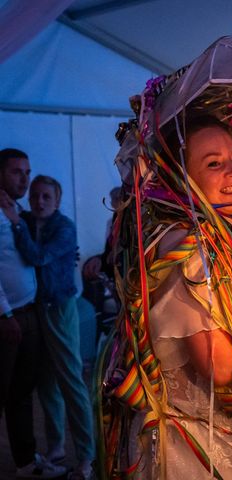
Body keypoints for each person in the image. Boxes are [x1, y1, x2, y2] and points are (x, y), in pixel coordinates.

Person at [111, 116, 232, 479]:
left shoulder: (222, 239)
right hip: (202, 447)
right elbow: (221, 366)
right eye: (213, 164)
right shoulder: (191, 250)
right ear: (181, 178)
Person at [2, 175, 95, 479]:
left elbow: (38, 256)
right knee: (46, 384)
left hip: (59, 308)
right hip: (39, 309)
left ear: (57, 200)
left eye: (46, 197)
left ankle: (87, 457)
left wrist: (16, 222)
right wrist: (18, 218)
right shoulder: (29, 218)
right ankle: (56, 448)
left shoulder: (63, 227)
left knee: (71, 381)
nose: (39, 201)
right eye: (35, 196)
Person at [0, 149, 66, 478]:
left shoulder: (18, 211)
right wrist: (4, 314)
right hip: (8, 318)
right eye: (16, 173)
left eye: (27, 172)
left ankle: (26, 463)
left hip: (29, 313)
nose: (24, 179)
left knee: (22, 393)